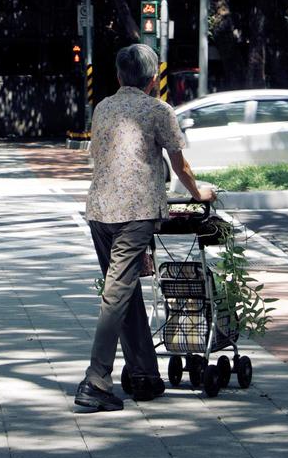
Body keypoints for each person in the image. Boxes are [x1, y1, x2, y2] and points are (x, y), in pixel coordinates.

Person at [74, 43, 216, 413]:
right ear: (154, 80)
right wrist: (199, 193)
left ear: (119, 76)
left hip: (100, 211)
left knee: (125, 293)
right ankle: (95, 380)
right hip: (133, 215)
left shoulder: (102, 108)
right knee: (117, 295)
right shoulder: (158, 110)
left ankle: (145, 375)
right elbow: (181, 166)